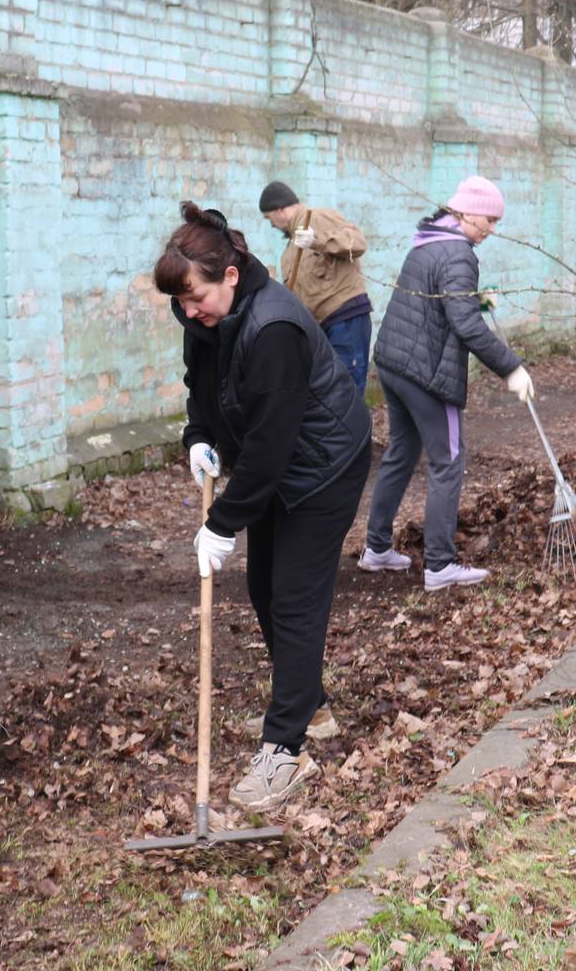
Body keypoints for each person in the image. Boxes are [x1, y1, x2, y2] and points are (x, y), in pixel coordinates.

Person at [156, 201, 373, 813]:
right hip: (278, 461)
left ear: (230, 275)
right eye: (181, 302)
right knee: (263, 588)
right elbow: (200, 382)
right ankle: (310, 706)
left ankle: (285, 750)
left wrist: (223, 521)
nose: (189, 311)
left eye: (196, 298)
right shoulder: (204, 310)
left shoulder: (274, 325)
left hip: (325, 465)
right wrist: (198, 436)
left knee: (295, 597)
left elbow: (273, 446)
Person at [359, 176, 534, 591]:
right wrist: (512, 369)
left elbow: (443, 300)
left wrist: (476, 299)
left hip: (394, 362)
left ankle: (377, 548)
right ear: (468, 212)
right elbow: (466, 326)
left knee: (402, 451)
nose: (492, 229)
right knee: (448, 460)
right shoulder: (459, 254)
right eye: (489, 220)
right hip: (426, 373)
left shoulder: (428, 240)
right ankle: (439, 565)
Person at [258, 180, 375, 392]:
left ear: (280, 209)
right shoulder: (290, 250)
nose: (271, 225)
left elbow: (358, 242)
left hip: (345, 319)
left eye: (269, 218)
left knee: (346, 391)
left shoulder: (318, 218)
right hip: (322, 328)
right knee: (331, 394)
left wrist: (317, 241)